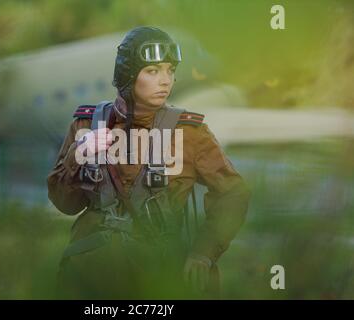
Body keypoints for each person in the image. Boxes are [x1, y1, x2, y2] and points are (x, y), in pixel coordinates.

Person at [47, 26, 251, 299]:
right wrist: (77, 154)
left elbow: (233, 193)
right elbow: (65, 204)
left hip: (156, 275)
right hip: (90, 275)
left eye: (170, 70)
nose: (165, 80)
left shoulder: (189, 133)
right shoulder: (86, 124)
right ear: (129, 76)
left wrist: (204, 252)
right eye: (152, 71)